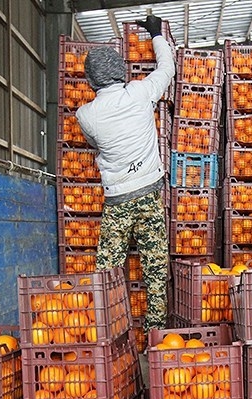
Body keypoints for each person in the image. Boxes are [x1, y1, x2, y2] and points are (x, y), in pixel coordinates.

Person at [76, 15, 175, 333]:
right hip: (148, 192)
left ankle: (108, 332)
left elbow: (94, 143)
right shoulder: (140, 92)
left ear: (91, 80)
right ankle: (155, 334)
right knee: (155, 269)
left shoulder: (85, 114)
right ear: (121, 71)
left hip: (117, 199)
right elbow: (167, 69)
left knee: (108, 269)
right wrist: (156, 34)